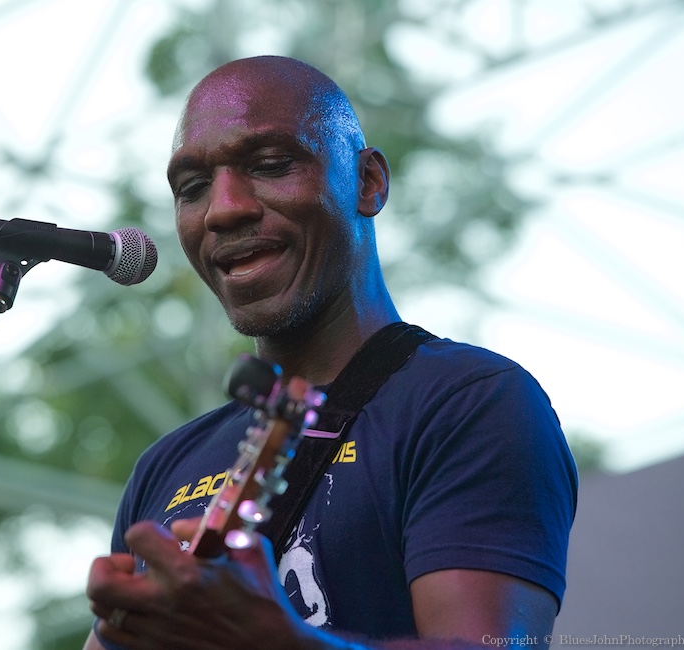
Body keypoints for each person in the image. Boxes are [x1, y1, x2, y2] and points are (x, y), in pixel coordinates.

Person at [82, 55, 577, 650]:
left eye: (269, 165)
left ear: (367, 182)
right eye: (192, 188)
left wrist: (275, 641)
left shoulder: (469, 402)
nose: (224, 208)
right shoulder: (163, 467)